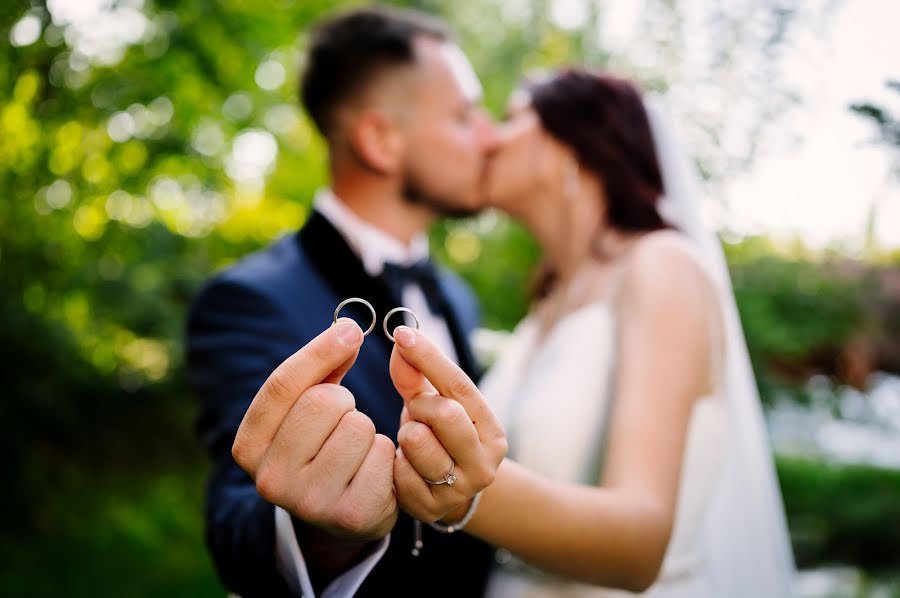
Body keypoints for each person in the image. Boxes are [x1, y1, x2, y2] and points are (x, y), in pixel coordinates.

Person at [267, 69, 796, 596]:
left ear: (570, 145)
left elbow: (642, 544)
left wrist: (467, 493)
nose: (487, 137)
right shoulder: (546, 306)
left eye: (513, 118)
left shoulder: (661, 265)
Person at [186, 6, 505, 597]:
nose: (490, 137)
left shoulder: (456, 295)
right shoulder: (248, 300)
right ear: (381, 140)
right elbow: (237, 519)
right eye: (464, 116)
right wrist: (318, 535)